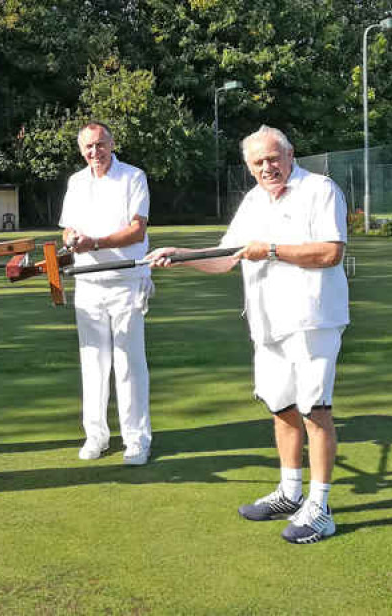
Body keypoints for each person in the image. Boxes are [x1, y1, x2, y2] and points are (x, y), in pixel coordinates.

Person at [148, 125, 349, 543]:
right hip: (267, 322)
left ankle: (321, 507)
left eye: (273, 158)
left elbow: (331, 252)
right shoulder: (255, 200)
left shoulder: (320, 189)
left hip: (312, 319)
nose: (267, 167)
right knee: (281, 407)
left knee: (315, 411)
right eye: (258, 162)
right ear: (249, 167)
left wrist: (272, 250)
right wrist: (180, 256)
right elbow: (226, 258)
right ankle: (291, 492)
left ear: (290, 155)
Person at [60, 121, 154, 466]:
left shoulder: (133, 176)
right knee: (93, 364)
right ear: (81, 150)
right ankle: (96, 436)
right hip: (87, 281)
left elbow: (136, 230)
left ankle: (136, 439)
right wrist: (71, 239)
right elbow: (68, 227)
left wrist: (95, 242)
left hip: (127, 279)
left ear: (112, 144)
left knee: (129, 362)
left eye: (100, 145)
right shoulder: (76, 181)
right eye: (88, 147)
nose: (94, 153)